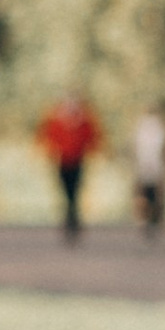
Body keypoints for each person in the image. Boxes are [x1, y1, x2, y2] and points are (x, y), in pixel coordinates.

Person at [37, 91, 103, 236]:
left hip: (77, 160)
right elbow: (49, 136)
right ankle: (70, 217)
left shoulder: (83, 121)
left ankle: (72, 218)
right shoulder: (58, 120)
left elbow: (92, 137)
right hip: (63, 160)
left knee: (74, 191)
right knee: (66, 191)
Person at [132, 104, 165, 232]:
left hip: (147, 163)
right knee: (153, 192)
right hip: (153, 163)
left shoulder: (142, 126)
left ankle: (145, 219)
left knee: (145, 192)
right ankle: (153, 218)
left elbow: (138, 147)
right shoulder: (157, 126)